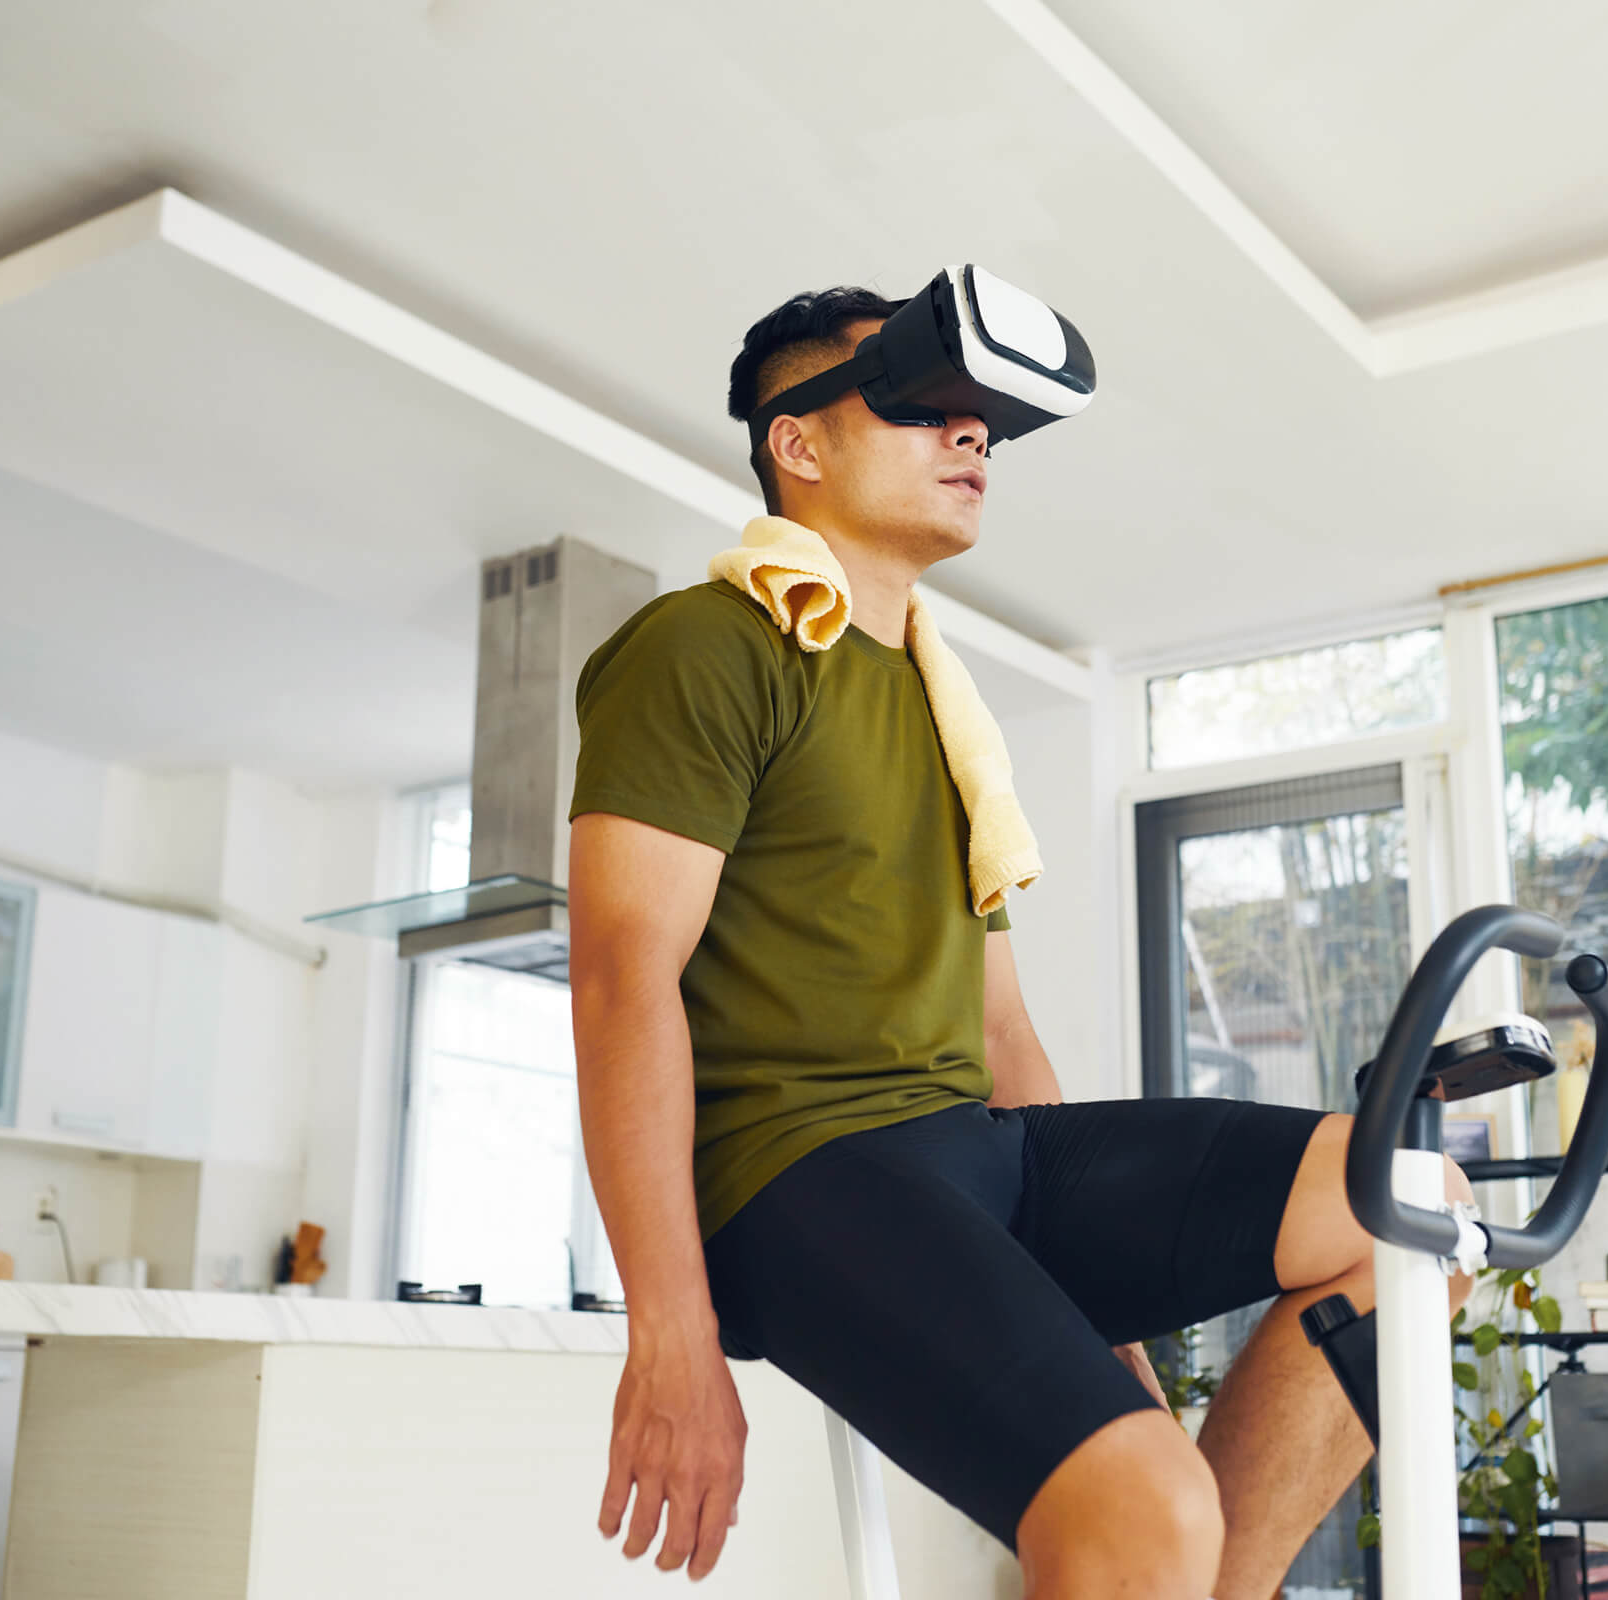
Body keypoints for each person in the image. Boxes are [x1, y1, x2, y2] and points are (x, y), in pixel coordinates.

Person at [566, 284, 1475, 1600]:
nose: (970, 434)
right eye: (919, 403)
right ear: (796, 444)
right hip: (801, 1172)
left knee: (1409, 1205)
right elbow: (619, 980)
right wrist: (670, 1331)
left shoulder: (946, 708)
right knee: (1148, 1505)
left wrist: (1103, 1330)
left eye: (978, 417)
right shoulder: (708, 647)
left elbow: (1001, 1033)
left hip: (986, 1161)